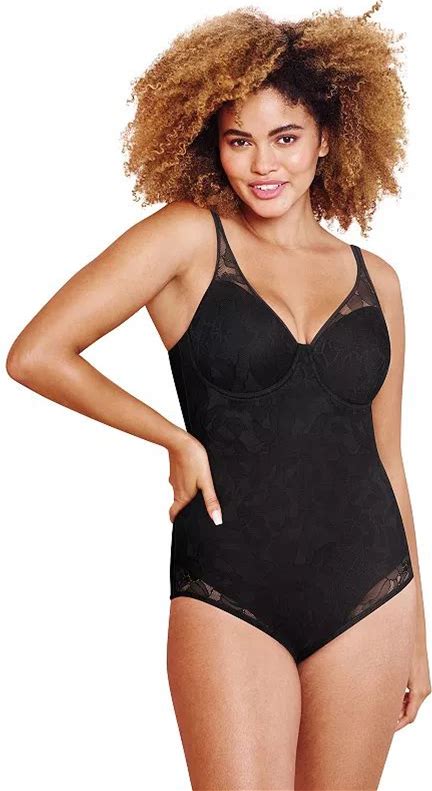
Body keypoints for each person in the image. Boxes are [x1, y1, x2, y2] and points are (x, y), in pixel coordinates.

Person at [6, 3, 430, 789]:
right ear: (215, 143)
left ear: (326, 137)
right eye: (240, 140)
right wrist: (173, 437)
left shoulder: (381, 281)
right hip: (228, 584)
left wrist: (419, 629)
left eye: (286, 138)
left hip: (371, 590)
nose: (263, 164)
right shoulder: (188, 237)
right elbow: (35, 353)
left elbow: (389, 459)